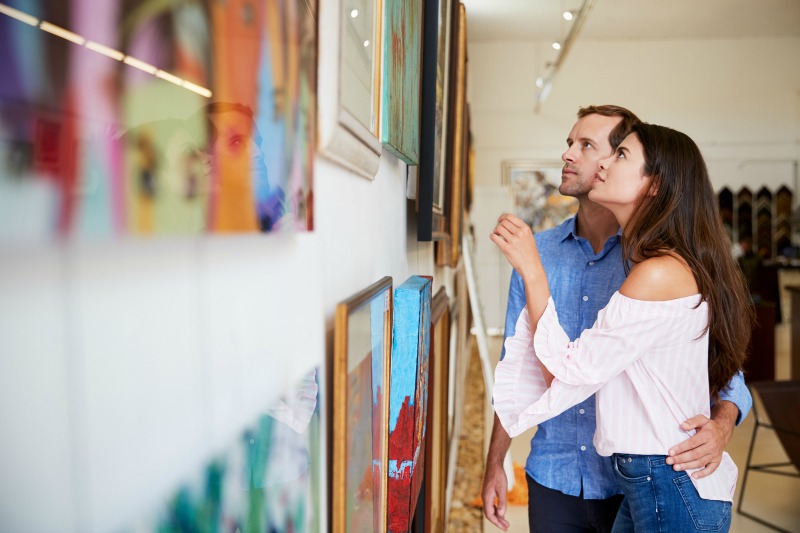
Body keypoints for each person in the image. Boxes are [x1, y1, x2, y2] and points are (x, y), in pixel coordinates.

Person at [481, 106, 753, 533]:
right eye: (569, 143)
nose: (571, 155)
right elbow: (516, 366)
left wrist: (720, 427)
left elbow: (721, 363)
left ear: (652, 183)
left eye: (592, 146)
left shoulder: (656, 267)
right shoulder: (543, 250)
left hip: (644, 480)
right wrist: (495, 462)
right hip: (561, 475)